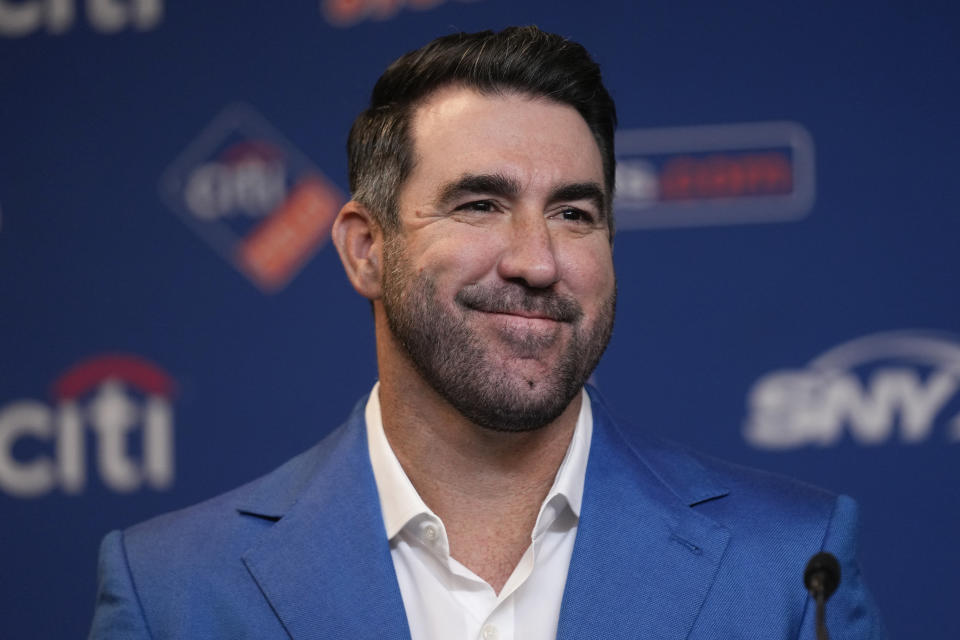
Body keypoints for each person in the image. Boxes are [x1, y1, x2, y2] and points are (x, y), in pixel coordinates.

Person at [89, 26, 885, 639]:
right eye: (479, 205)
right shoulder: (173, 589)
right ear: (367, 250)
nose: (537, 262)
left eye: (574, 214)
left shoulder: (791, 567)